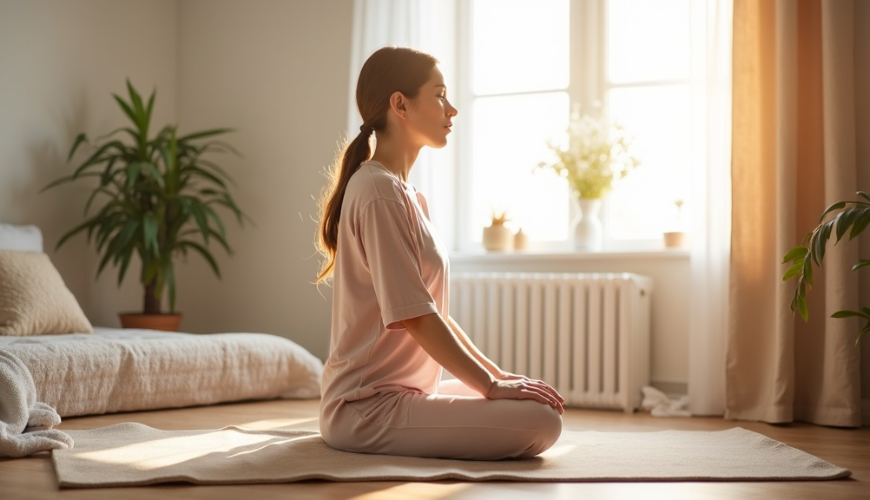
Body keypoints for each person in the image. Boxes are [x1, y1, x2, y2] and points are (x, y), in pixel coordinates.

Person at [315, 46, 564, 460]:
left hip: (407, 392)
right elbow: (414, 315)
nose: (452, 110)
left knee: (532, 404)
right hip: (365, 407)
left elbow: (431, 311)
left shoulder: (408, 195)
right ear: (401, 104)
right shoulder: (377, 190)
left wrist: (497, 376)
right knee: (542, 423)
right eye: (439, 95)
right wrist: (488, 386)